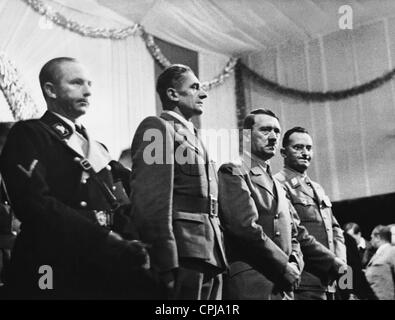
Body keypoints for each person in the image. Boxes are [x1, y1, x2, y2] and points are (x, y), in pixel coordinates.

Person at [0, 57, 163, 299]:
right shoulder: (29, 134)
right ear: (50, 90)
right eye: (76, 83)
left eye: (89, 84)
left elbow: (120, 200)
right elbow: (35, 205)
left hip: (99, 261)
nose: (87, 91)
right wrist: (105, 238)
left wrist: (130, 240)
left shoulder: (97, 147)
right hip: (53, 260)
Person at [218, 109, 345, 300]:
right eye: (265, 130)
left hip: (283, 286)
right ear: (246, 136)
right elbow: (243, 227)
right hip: (252, 283)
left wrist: (296, 263)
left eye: (277, 131)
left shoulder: (277, 184)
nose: (273, 137)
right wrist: (283, 265)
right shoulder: (233, 171)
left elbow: (297, 234)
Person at [129, 64, 227, 299]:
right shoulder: (157, 128)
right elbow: (151, 201)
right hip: (183, 253)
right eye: (194, 88)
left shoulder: (193, 136)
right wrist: (165, 259)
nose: (203, 94)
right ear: (173, 94)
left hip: (211, 252)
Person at [274, 126, 347, 300]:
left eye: (308, 148)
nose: (305, 153)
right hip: (305, 281)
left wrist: (342, 263)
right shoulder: (278, 184)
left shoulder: (317, 188)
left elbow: (335, 229)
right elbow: (296, 233)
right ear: (283, 152)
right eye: (298, 147)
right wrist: (332, 262)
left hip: (331, 282)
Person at [365, 225, 395, 300]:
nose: (370, 240)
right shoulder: (378, 253)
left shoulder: (392, 251)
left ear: (378, 237)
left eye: (371, 237)